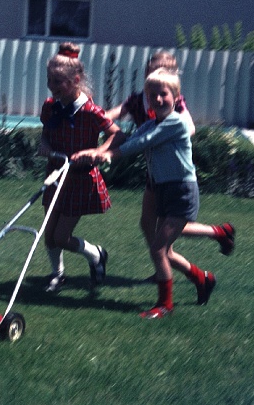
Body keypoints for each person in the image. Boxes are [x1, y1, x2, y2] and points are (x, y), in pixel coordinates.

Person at [73, 68, 216, 319]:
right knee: (166, 251)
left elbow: (141, 143)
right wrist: (96, 152)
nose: (158, 100)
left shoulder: (176, 122)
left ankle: (164, 304)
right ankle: (202, 279)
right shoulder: (152, 123)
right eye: (152, 95)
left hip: (182, 192)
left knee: (158, 249)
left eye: (164, 94)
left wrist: (110, 155)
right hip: (163, 190)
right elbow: (128, 137)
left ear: (176, 96)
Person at [105, 50, 235, 269]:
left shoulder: (173, 103)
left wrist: (163, 133)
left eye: (162, 74)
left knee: (167, 228)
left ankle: (211, 238)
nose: (156, 84)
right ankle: (176, 264)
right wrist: (92, 118)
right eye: (151, 74)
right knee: (149, 224)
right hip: (155, 173)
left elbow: (189, 128)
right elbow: (113, 114)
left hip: (173, 172)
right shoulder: (139, 100)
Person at [38, 42, 121, 293]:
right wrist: (44, 145)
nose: (52, 86)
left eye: (58, 82)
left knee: (62, 237)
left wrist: (98, 151)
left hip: (79, 179)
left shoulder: (90, 111)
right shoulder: (51, 106)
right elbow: (45, 134)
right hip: (55, 174)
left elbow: (118, 135)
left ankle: (96, 255)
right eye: (50, 80)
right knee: (48, 234)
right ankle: (58, 275)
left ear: (75, 80)